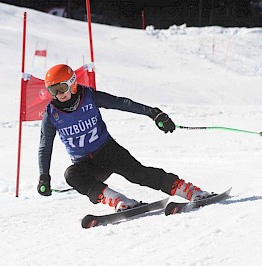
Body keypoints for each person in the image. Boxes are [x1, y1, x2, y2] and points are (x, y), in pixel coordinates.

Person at [37, 64, 210, 212]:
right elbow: (45, 146)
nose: (59, 94)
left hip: (108, 151)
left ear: (72, 83)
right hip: (85, 164)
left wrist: (152, 112)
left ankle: (190, 191)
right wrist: (44, 175)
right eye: (53, 90)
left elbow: (121, 103)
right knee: (72, 175)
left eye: (62, 88)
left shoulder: (89, 97)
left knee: (138, 174)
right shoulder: (51, 114)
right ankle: (120, 201)